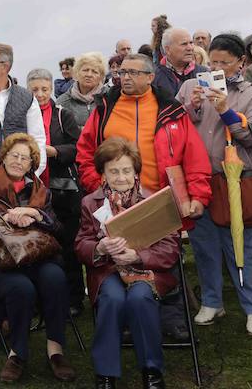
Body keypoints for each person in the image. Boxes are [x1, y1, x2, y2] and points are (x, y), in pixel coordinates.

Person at [76, 52, 212, 341]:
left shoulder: (171, 110)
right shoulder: (105, 107)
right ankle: (124, 321)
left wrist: (198, 194)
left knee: (165, 260)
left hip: (162, 201)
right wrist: (96, 186)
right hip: (115, 204)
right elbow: (86, 151)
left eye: (133, 73)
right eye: (122, 72)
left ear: (150, 77)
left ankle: (172, 321)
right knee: (117, 260)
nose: (124, 77)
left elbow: (194, 156)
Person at [176, 34, 252, 336]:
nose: (216, 68)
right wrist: (190, 108)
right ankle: (212, 301)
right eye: (212, 61)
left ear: (241, 62)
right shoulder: (191, 85)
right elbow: (174, 128)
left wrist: (227, 110)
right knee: (203, 246)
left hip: (234, 181)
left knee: (240, 245)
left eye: (224, 64)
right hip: (198, 180)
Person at [75, 137, 179, 389]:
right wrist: (99, 247)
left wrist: (138, 257)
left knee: (139, 298)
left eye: (126, 171)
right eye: (113, 171)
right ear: (103, 173)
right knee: (112, 299)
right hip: (107, 270)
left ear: (135, 172)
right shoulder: (91, 202)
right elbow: (81, 244)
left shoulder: (153, 200)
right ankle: (106, 374)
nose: (120, 177)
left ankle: (152, 371)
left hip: (148, 270)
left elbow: (171, 248)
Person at [0, 133, 76, 384]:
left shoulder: (41, 191)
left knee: (54, 276)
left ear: (32, 164)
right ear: (4, 157)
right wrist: (1, 221)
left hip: (36, 257)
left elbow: (60, 232)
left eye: (25, 158)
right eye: (14, 155)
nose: (19, 161)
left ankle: (56, 350)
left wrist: (36, 215)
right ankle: (17, 353)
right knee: (21, 287)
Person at [26, 68, 85, 315]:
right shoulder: (23, 115)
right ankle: (41, 300)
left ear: (51, 89)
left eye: (44, 89)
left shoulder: (63, 114)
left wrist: (55, 152)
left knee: (68, 246)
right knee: (39, 247)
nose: (40, 94)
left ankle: (73, 299)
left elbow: (78, 147)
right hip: (32, 192)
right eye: (35, 90)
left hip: (63, 192)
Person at [0, 42, 47, 179]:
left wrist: (32, 174)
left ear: (5, 66)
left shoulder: (27, 97)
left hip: (19, 180)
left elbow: (37, 140)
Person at [152, 28, 209, 98]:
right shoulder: (153, 76)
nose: (190, 48)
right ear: (168, 49)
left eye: (191, 43)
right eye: (184, 44)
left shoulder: (204, 72)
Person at [57, 52, 106, 130]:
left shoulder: (109, 97)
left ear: (101, 77)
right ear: (77, 73)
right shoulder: (63, 102)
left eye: (95, 72)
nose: (89, 74)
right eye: (85, 70)